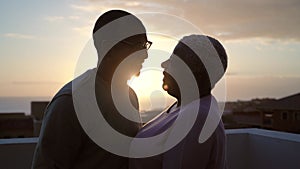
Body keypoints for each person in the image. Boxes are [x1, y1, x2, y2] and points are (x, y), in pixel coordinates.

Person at [32, 10, 151, 169]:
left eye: (146, 46)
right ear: (108, 47)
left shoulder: (130, 95)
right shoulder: (71, 102)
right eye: (137, 46)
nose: (145, 55)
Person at [129, 35, 228, 169]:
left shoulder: (196, 118)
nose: (163, 64)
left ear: (192, 72)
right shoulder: (185, 106)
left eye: (173, 61)